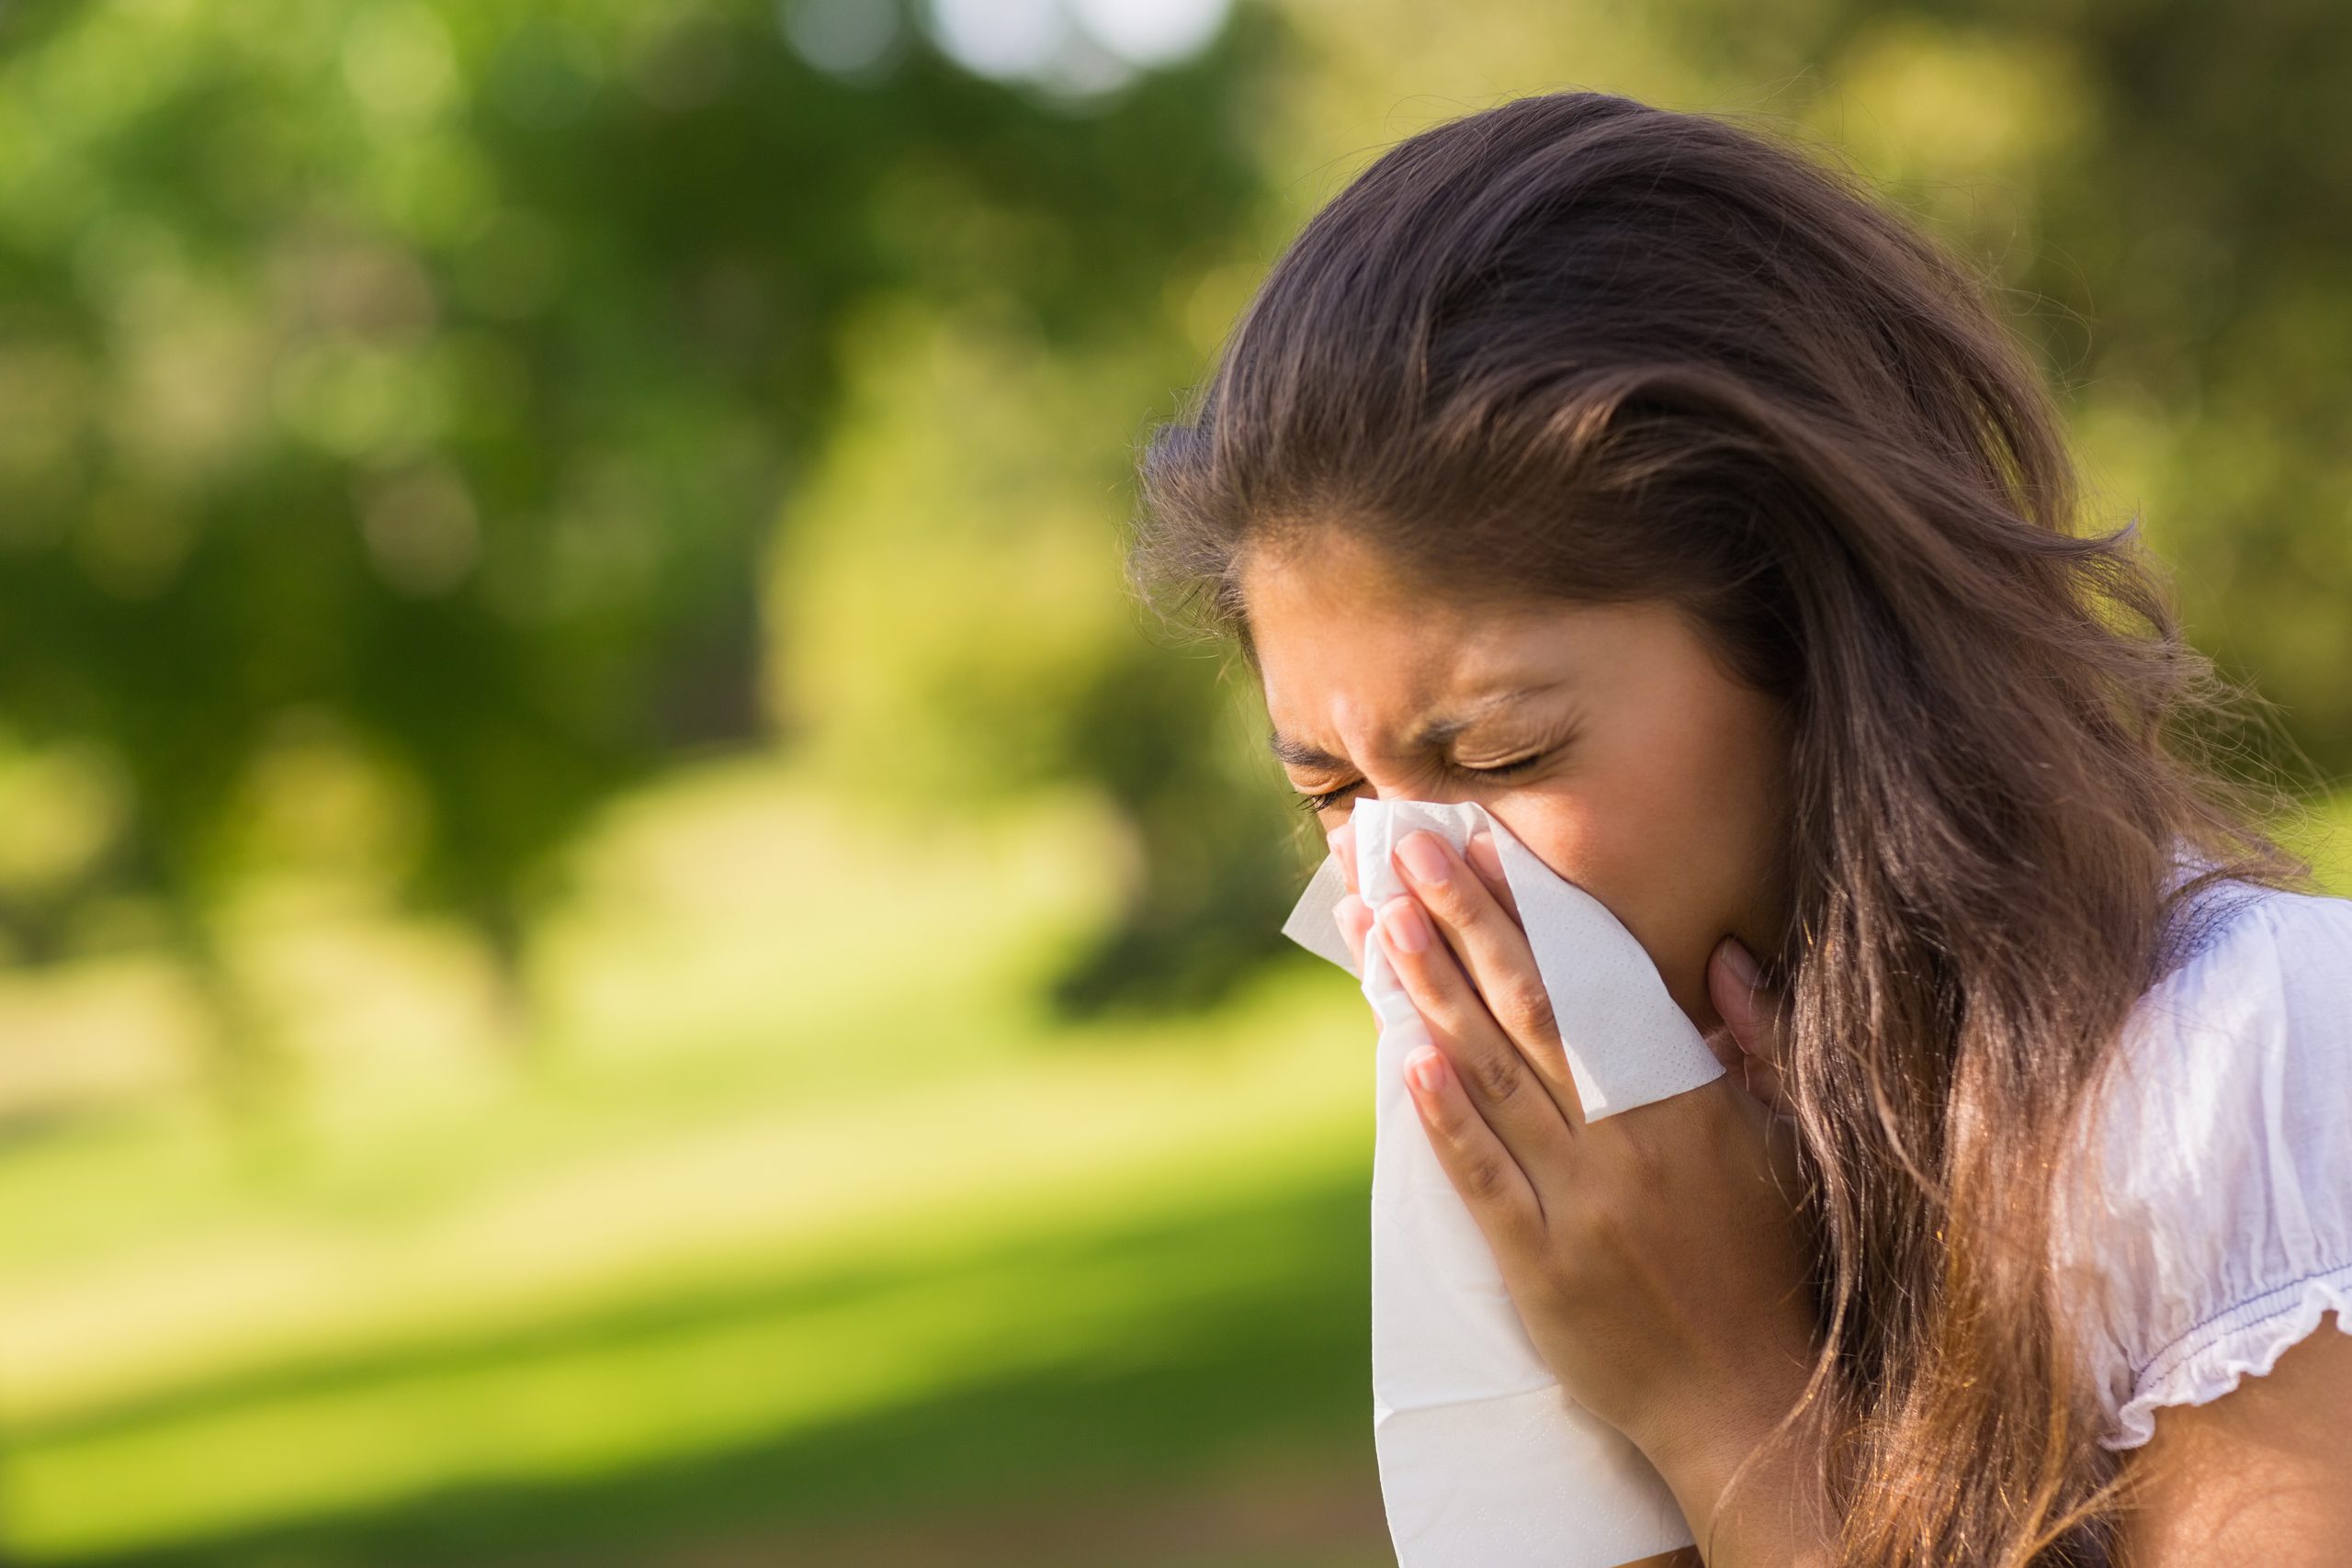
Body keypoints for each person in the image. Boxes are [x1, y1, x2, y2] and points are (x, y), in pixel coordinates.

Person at [1125, 90, 2352, 1566]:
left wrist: (1722, 1405)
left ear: (1810, 644)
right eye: (1331, 791)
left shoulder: (2244, 1076)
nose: (1412, 884)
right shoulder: (1634, 1201)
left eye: (1503, 751)